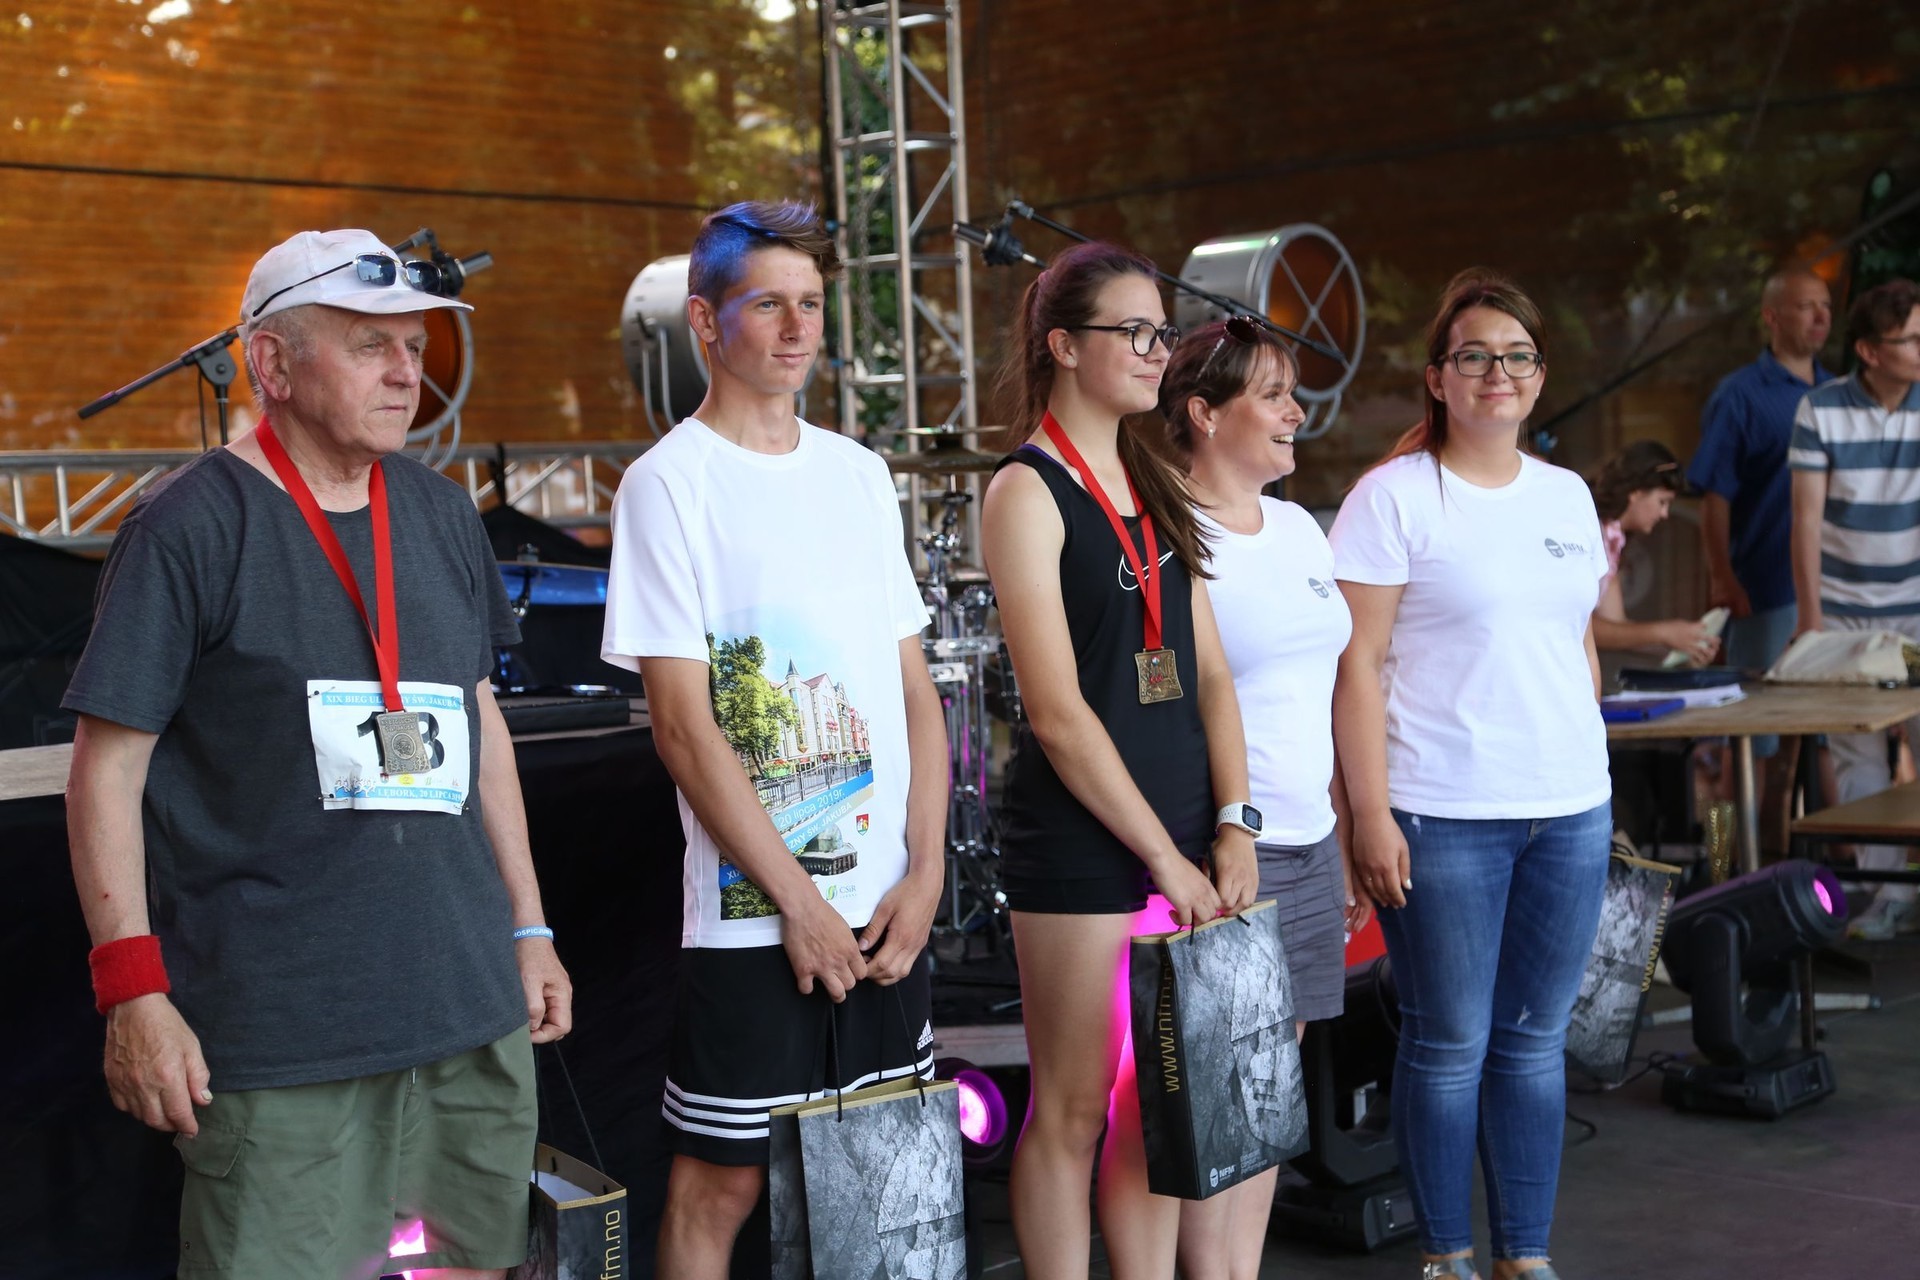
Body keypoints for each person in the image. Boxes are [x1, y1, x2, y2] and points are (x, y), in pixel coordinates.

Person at [63, 228, 572, 1280]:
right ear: (272, 362)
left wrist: (529, 926)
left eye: (415, 347)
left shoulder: (442, 514)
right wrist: (133, 991)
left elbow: (482, 729)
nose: (407, 372)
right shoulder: (189, 526)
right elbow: (105, 773)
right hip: (283, 1032)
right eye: (370, 345)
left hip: (466, 1006)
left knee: (478, 1263)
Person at [600, 200, 949, 1278]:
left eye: (811, 303)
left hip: (887, 908)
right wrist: (798, 902)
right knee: (722, 1184)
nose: (798, 329)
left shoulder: (858, 472)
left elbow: (914, 691)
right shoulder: (667, 484)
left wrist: (928, 871)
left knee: (887, 1174)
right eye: (768, 305)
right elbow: (682, 726)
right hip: (756, 918)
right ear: (706, 322)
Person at [981, 241, 1258, 1280]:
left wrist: (1234, 821)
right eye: (1133, 331)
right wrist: (1164, 861)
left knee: (1158, 1099)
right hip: (1086, 847)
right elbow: (1056, 715)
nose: (1158, 351)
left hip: (1187, 833)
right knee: (1073, 1106)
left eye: (1160, 331)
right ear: (1063, 345)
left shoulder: (1156, 477)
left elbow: (1212, 674)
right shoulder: (1026, 491)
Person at [1330, 268, 1611, 1280]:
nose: (1499, 372)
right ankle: (1445, 1256)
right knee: (1449, 1043)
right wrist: (1367, 813)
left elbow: (1579, 643)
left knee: (1534, 1042)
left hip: (1570, 810)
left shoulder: (1567, 494)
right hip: (1441, 811)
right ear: (1438, 376)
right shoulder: (1392, 498)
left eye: (1518, 355)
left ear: (1540, 374)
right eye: (1476, 355)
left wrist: (1588, 759)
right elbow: (1354, 666)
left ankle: (1523, 1256)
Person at [1158, 316, 1367, 1280]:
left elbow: (1325, 688)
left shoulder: (1297, 527)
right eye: (1274, 395)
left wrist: (1344, 831)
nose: (1296, 413)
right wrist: (1219, 835)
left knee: (1270, 1099)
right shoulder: (1168, 534)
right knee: (1220, 1110)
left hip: (1311, 843)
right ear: (1204, 413)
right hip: (1227, 850)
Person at [1788, 277, 1920, 940]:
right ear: (1869, 350)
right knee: (1859, 756)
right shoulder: (1820, 409)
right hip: (1843, 612)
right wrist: (1811, 621)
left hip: (1916, 608)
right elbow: (1805, 522)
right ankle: (1881, 893)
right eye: (1911, 339)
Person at [1687, 266, 1832, 813]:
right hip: (1766, 589)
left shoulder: (1839, 393)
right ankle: (1733, 860)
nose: (1820, 317)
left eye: (1826, 306)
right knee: (1752, 737)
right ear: (1772, 316)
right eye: (1806, 306)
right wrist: (1722, 576)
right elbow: (1715, 495)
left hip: (1836, 592)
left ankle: (1841, 856)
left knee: (1832, 736)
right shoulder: (1740, 395)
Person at [1588, 440, 1721, 664]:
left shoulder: (1614, 540)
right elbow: (1583, 626)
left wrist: (1681, 644)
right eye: (1662, 502)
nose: (1665, 514)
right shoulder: (1588, 530)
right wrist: (1663, 632)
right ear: (1636, 492)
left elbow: (1615, 625)